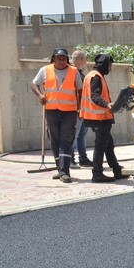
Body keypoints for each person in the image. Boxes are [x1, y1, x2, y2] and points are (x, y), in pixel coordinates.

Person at [30, 47, 81, 183]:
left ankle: (65, 171)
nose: (61, 60)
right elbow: (34, 84)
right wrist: (40, 95)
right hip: (51, 110)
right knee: (54, 139)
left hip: (69, 111)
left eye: (64, 58)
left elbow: (79, 90)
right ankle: (60, 169)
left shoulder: (74, 71)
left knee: (66, 139)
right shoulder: (45, 70)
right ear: (53, 58)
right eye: (59, 57)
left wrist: (79, 108)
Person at [80, 54, 126, 183]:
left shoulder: (91, 75)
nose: (110, 68)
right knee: (101, 146)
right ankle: (97, 173)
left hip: (96, 117)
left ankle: (116, 170)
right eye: (109, 65)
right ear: (104, 64)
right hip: (99, 117)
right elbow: (95, 96)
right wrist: (107, 104)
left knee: (108, 145)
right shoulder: (96, 77)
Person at [69, 50, 92, 169]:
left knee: (82, 134)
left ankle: (83, 158)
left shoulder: (79, 72)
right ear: (81, 59)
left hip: (83, 109)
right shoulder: (72, 72)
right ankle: (70, 159)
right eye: (85, 59)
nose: (86, 61)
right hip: (76, 109)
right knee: (74, 135)